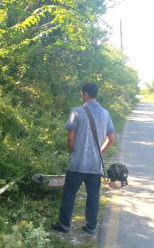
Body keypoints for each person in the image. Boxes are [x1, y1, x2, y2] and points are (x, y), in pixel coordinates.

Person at [51, 82, 115, 234]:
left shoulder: (77, 112)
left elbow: (70, 138)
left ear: (85, 94)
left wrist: (73, 152)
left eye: (82, 94)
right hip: (95, 164)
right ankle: (91, 227)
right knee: (93, 195)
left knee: (69, 193)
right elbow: (111, 139)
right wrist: (99, 151)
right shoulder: (105, 114)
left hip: (78, 163)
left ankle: (64, 224)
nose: (81, 97)